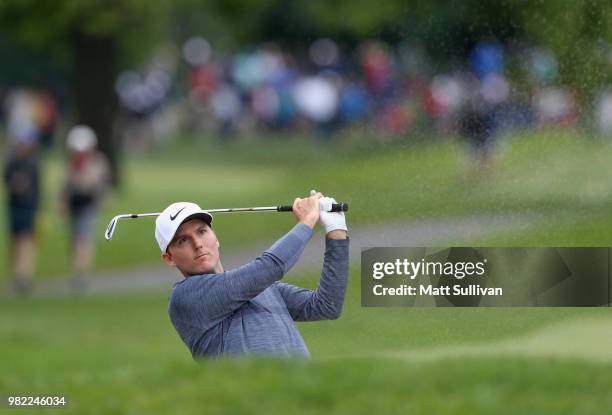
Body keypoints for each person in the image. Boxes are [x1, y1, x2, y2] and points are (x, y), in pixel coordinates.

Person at [156, 190, 349, 359]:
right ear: (169, 258)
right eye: (183, 240)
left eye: (202, 232)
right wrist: (307, 221)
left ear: (216, 238)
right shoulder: (185, 297)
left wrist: (336, 231)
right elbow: (271, 266)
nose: (197, 243)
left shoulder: (262, 288)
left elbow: (326, 306)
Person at [60, 125, 111, 292]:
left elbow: (99, 185)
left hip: (88, 205)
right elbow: (66, 186)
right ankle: (77, 270)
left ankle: (81, 274)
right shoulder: (72, 164)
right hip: (74, 205)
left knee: (84, 238)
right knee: (75, 239)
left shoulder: (97, 162)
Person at [3, 118, 40, 295]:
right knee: (15, 242)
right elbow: (7, 180)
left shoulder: (33, 163)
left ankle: (24, 276)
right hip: (15, 207)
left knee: (26, 241)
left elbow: (38, 188)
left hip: (29, 208)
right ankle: (18, 275)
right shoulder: (13, 162)